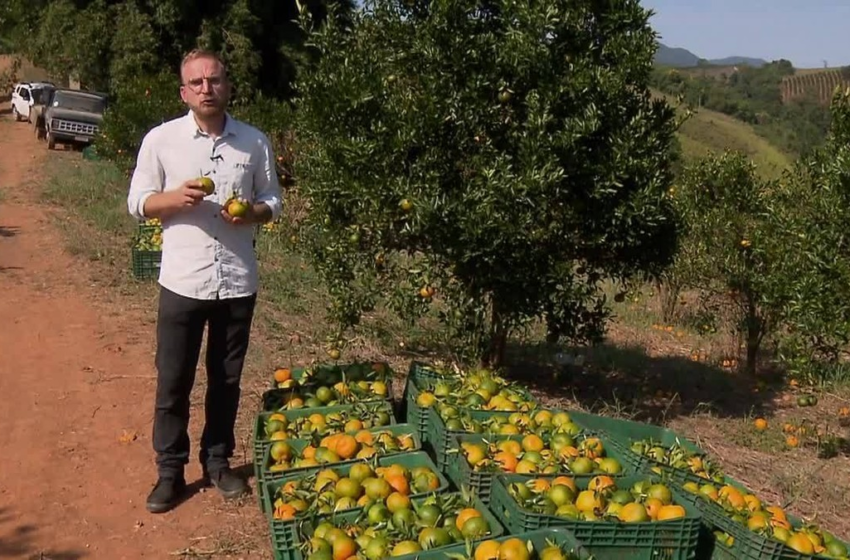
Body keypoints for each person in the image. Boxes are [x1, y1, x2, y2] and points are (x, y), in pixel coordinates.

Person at [127, 49, 283, 514]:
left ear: (228, 86)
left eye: (214, 80)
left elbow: (272, 199)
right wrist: (173, 199)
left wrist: (253, 212)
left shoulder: (254, 143)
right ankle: (169, 473)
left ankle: (218, 462)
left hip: (237, 282)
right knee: (173, 381)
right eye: (196, 82)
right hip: (182, 282)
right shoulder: (162, 140)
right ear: (183, 91)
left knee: (226, 380)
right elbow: (137, 202)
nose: (206, 89)